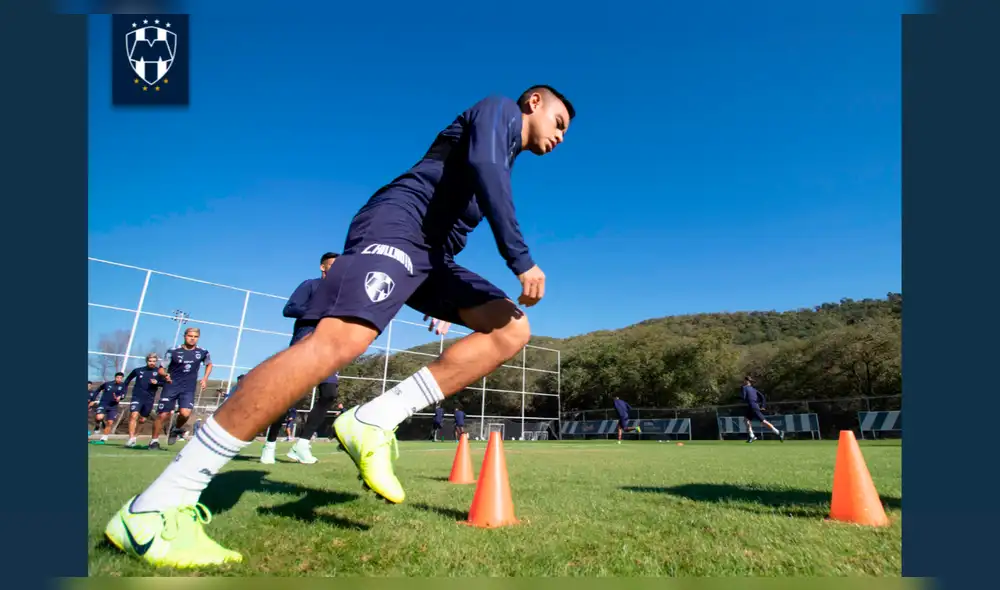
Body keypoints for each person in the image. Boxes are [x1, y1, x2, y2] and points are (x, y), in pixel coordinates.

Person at [104, 85, 574, 568]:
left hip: (432, 258)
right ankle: (154, 507)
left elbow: (474, 193)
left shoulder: (504, 157)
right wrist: (520, 258)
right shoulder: (498, 111)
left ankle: (374, 420)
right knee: (341, 340)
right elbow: (486, 170)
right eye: (559, 122)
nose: (560, 136)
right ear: (534, 102)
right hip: (399, 226)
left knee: (510, 329)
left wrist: (434, 294)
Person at [262, 252, 345, 465]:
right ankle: (269, 445)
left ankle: (302, 444)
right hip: (304, 344)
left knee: (329, 394)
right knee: (289, 398)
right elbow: (289, 309)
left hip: (328, 349)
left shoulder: (343, 293)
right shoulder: (310, 285)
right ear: (323, 267)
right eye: (333, 265)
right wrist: (319, 312)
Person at [149, 328, 213, 450]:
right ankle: (154, 441)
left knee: (185, 413)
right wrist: (165, 375)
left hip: (188, 387)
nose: (192, 338)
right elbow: (161, 369)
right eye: (190, 336)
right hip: (171, 386)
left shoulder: (203, 352)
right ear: (185, 336)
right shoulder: (173, 351)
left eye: (195, 336)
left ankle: (176, 428)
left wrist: (205, 378)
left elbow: (209, 364)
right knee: (163, 414)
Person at [122, 353, 165, 448]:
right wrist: (123, 392)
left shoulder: (159, 372)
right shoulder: (138, 370)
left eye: (154, 361)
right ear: (147, 361)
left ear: (156, 362)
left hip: (149, 399)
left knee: (142, 420)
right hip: (137, 397)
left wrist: (157, 383)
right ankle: (131, 438)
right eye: (150, 361)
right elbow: (127, 381)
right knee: (133, 415)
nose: (152, 363)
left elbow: (165, 383)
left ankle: (135, 437)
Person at [741, 376, 784, 443]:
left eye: (744, 380)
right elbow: (762, 397)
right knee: (746, 420)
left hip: (752, 406)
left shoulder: (744, 387)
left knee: (763, 421)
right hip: (753, 406)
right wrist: (763, 405)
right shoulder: (754, 389)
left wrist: (742, 399)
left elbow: (743, 397)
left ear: (746, 381)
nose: (743, 382)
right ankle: (752, 436)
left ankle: (778, 432)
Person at [90, 373, 127, 444]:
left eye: (120, 378)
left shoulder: (123, 385)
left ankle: (104, 437)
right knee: (99, 417)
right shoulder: (107, 384)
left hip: (113, 406)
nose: (119, 379)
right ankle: (97, 425)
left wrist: (120, 398)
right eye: (117, 377)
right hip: (103, 404)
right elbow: (98, 390)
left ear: (122, 378)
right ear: (115, 377)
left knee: (110, 422)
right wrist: (93, 399)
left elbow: (123, 394)